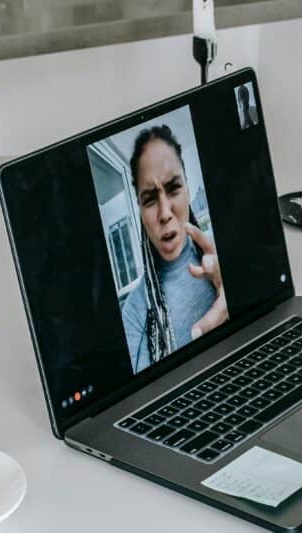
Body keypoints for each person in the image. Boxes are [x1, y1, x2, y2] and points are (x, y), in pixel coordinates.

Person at [121, 125, 229, 373]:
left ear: (188, 187)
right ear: (139, 208)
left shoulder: (224, 251)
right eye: (149, 198)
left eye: (173, 188)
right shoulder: (135, 311)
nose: (165, 213)